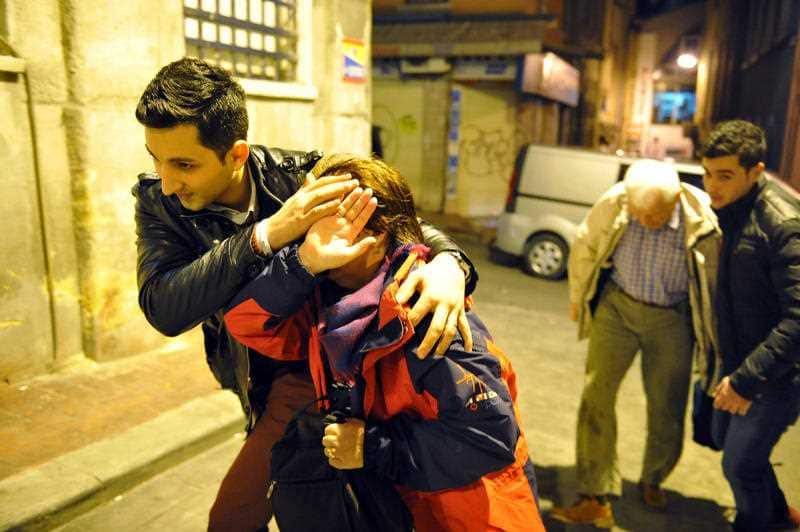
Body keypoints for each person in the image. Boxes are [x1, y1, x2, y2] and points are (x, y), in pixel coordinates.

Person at [133, 57, 478, 531]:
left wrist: (450, 264)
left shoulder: (300, 176)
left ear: (236, 155)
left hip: (326, 368)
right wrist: (267, 235)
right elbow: (164, 309)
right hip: (253, 373)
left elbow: (400, 222)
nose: (168, 182)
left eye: (184, 164)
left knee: (253, 514)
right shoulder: (157, 202)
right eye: (155, 159)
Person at [224, 153, 545, 532]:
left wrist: (371, 447)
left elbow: (490, 439)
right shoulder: (329, 304)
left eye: (325, 223)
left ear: (375, 237)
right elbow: (247, 324)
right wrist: (302, 264)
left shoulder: (428, 313)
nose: (308, 236)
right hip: (397, 507)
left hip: (470, 515)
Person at [550, 159, 721, 527]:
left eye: (655, 215)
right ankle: (595, 491)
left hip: (672, 317)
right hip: (618, 307)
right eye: (639, 214)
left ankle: (653, 477)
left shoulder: (702, 218)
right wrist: (578, 295)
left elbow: (715, 277)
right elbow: (585, 244)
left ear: (675, 199)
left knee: (667, 404)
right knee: (596, 394)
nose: (645, 221)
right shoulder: (617, 202)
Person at [700, 119, 800, 531]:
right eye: (707, 173)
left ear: (755, 171)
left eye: (724, 176)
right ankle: (778, 516)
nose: (711, 186)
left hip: (780, 373)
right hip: (744, 359)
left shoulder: (782, 224)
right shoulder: (735, 209)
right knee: (732, 444)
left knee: (739, 464)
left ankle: (757, 523)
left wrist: (745, 381)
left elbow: (798, 319)